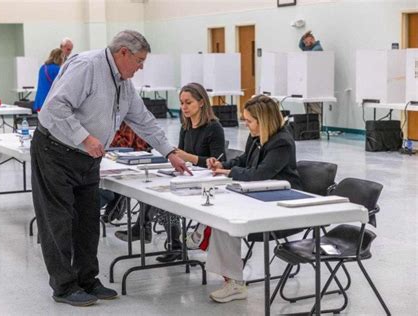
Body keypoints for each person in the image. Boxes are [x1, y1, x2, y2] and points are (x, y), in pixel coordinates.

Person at [31, 30, 190, 307]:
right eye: (139, 60)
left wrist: (170, 152)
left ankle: (88, 279)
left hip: (88, 159)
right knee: (58, 220)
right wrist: (85, 137)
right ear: (123, 53)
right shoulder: (87, 67)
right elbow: (54, 107)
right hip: (55, 151)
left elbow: (142, 119)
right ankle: (64, 286)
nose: (141, 67)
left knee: (88, 221)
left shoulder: (123, 81)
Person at [205, 95, 302, 303]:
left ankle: (234, 282)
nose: (246, 125)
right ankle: (231, 278)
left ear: (263, 121)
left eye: (249, 121)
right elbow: (244, 160)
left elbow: (260, 174)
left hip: (280, 203)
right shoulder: (257, 136)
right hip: (258, 195)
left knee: (226, 220)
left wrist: (228, 172)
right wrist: (223, 165)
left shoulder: (282, 142)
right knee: (220, 216)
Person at [114, 82, 226, 263]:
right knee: (153, 188)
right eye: (181, 103)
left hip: (208, 183)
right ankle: (160, 236)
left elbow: (219, 163)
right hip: (188, 178)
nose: (184, 107)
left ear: (201, 102)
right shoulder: (186, 126)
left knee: (165, 198)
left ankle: (148, 230)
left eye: (188, 103)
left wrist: (187, 157)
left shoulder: (214, 128)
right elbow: (182, 155)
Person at [299, 30, 323, 116]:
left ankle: (316, 127)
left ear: (311, 39)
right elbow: (300, 45)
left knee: (315, 109)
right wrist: (304, 36)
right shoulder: (311, 48)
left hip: (314, 84)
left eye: (306, 42)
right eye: (304, 42)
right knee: (308, 109)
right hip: (310, 84)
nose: (305, 44)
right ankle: (311, 127)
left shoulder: (317, 49)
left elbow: (310, 62)